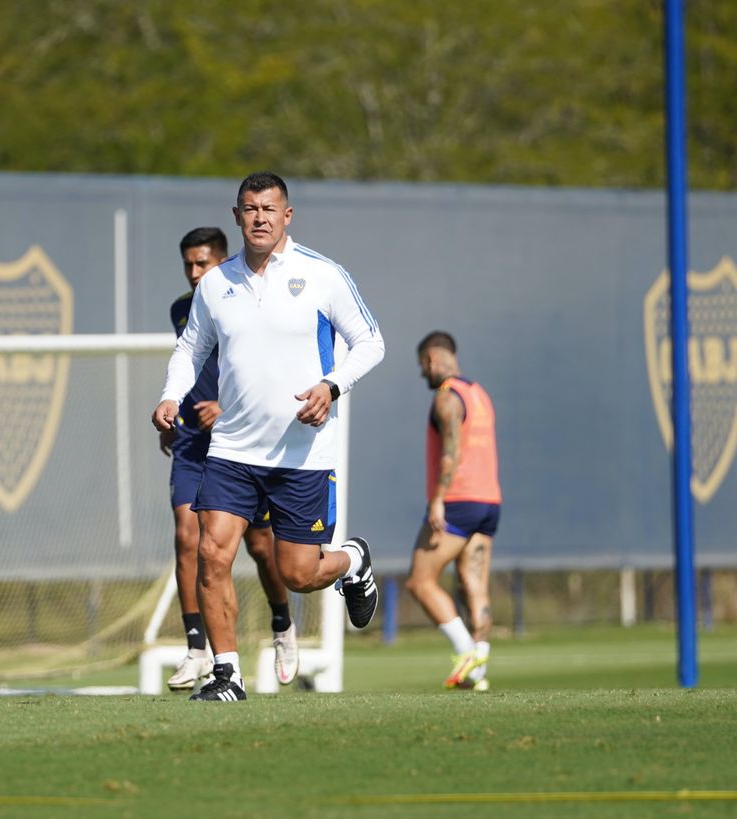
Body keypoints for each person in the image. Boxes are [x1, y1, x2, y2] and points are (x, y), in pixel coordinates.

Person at [151, 172, 385, 701]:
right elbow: (190, 350)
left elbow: (370, 342)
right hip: (232, 449)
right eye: (249, 208)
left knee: (297, 572)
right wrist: (171, 395)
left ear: (287, 216)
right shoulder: (216, 284)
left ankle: (353, 560)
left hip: (303, 452)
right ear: (237, 217)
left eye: (269, 209)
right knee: (213, 553)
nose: (259, 217)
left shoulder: (323, 275)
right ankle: (226, 674)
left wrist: (332, 385)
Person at [161, 227, 299, 692]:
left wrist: (228, 408)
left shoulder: (245, 301)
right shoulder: (184, 310)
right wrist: (172, 409)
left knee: (261, 547)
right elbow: (189, 360)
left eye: (203, 264)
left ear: (222, 261)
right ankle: (199, 649)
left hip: (241, 440)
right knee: (188, 539)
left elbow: (262, 369)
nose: (195, 273)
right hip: (192, 445)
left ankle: (282, 625)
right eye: (188, 265)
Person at [404, 331, 501, 692]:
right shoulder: (479, 394)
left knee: (420, 581)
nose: (422, 375)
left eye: (421, 366)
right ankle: (478, 672)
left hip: (459, 500)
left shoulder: (447, 398)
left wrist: (438, 498)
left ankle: (466, 652)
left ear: (432, 358)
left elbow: (452, 452)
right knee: (475, 585)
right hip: (489, 501)